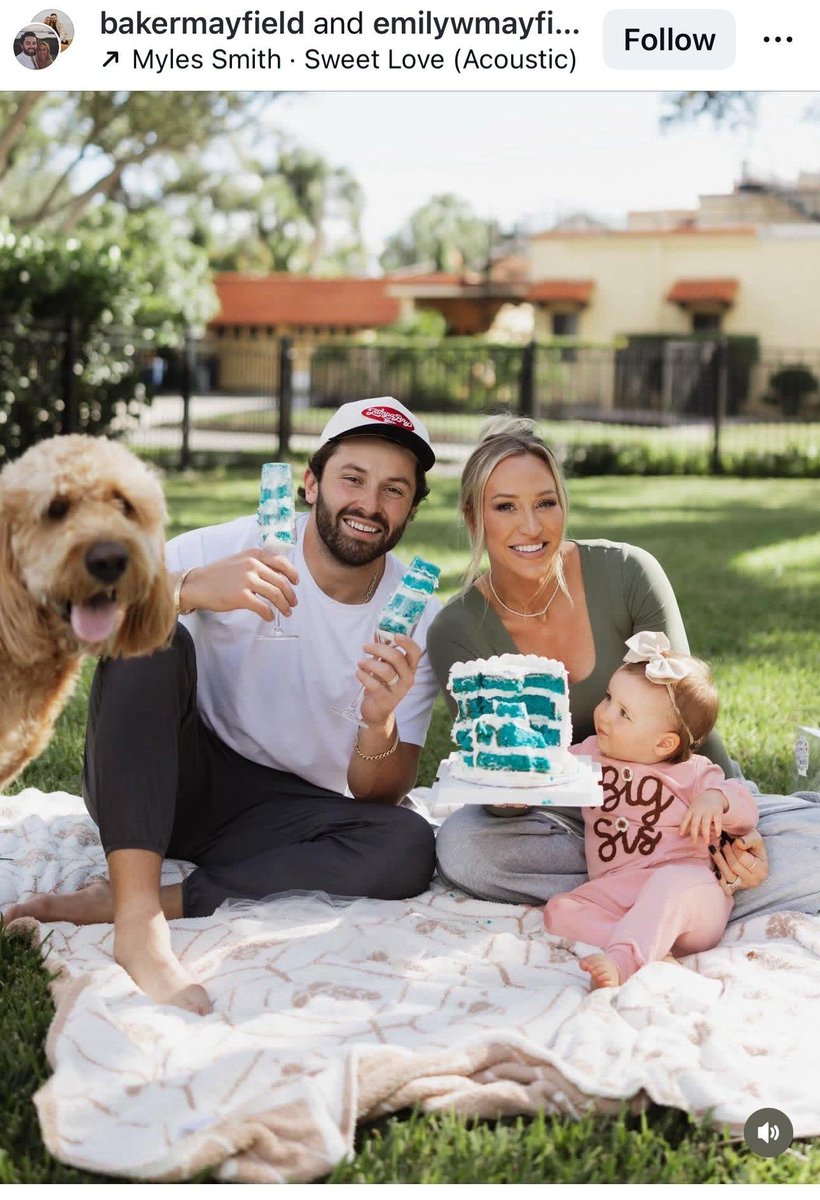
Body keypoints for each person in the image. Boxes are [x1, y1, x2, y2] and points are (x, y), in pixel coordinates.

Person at [4, 399, 441, 1014]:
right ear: (311, 483)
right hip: (164, 777)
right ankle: (137, 921)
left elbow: (380, 795)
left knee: (409, 844)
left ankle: (167, 899)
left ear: (412, 509)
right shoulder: (230, 544)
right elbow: (81, 631)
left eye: (394, 490)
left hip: (282, 815)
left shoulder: (418, 618)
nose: (370, 504)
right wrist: (183, 592)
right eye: (353, 478)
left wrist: (379, 721)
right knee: (151, 637)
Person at [429, 415, 820, 922]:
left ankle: (678, 879)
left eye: (546, 503)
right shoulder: (456, 630)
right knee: (464, 850)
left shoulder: (627, 572)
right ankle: (676, 889)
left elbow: (688, 723)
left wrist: (735, 829)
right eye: (505, 507)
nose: (532, 527)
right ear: (472, 516)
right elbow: (504, 789)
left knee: (802, 846)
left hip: (681, 805)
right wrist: (506, 788)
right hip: (573, 818)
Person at [544, 632, 758, 989]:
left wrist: (715, 801)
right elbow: (550, 771)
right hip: (618, 891)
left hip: (689, 897)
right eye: (609, 698)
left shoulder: (694, 773)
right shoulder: (591, 754)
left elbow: (745, 806)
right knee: (559, 911)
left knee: (671, 882)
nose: (605, 714)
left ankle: (624, 959)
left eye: (624, 713)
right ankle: (650, 945)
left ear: (664, 743)